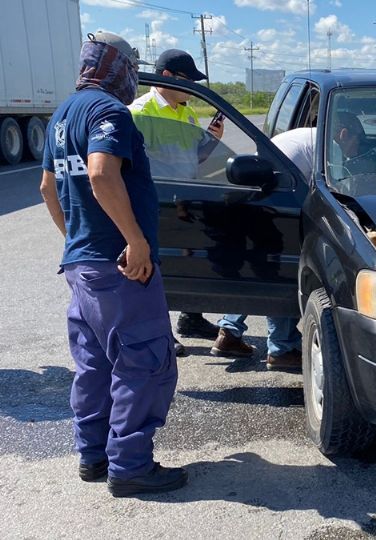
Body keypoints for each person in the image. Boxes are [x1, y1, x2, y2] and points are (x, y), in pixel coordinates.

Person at [38, 31, 186, 496]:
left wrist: (76, 240)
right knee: (143, 363)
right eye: (130, 67)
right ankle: (131, 466)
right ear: (116, 67)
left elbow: (48, 188)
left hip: (82, 267)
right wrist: (134, 240)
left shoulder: (61, 115)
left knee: (95, 366)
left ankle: (94, 456)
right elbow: (102, 173)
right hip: (120, 267)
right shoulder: (109, 111)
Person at [129, 49, 224, 348]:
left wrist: (213, 139)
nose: (192, 89)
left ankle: (191, 318)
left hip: (185, 201)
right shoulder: (139, 113)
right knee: (156, 272)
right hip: (157, 205)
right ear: (165, 76)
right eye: (187, 81)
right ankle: (159, 333)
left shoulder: (187, 112)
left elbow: (194, 159)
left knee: (188, 263)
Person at [211, 128, 316, 370]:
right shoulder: (327, 146)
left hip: (258, 195)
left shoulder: (309, 135)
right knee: (282, 273)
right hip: (277, 201)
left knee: (259, 270)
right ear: (345, 134)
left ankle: (229, 332)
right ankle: (282, 349)